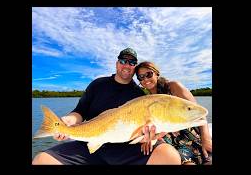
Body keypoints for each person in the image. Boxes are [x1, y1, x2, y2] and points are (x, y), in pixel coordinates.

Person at [32, 48, 183, 165]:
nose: (127, 65)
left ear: (134, 68)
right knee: (41, 160)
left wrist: (149, 137)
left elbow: (145, 129)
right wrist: (67, 121)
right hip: (88, 144)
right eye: (123, 61)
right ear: (117, 63)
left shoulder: (139, 95)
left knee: (169, 156)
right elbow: (80, 112)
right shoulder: (98, 84)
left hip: (126, 149)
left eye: (131, 63)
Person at [134, 61, 212, 165]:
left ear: (156, 73)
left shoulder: (173, 87)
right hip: (168, 138)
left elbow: (199, 114)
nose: (145, 79)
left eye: (148, 74)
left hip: (188, 134)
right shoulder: (147, 99)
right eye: (141, 77)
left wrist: (206, 139)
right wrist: (148, 140)